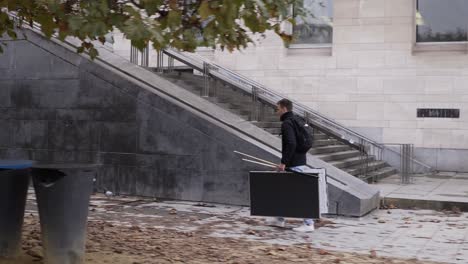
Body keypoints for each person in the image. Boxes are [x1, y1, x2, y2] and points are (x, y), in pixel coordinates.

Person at [266, 98, 315, 232]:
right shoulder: (296, 120)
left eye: (277, 109)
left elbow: (291, 143)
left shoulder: (287, 123)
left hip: (293, 164)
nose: (277, 112)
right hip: (299, 161)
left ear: (284, 108)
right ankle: (279, 219)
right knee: (282, 191)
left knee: (298, 194)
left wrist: (283, 162)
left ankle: (308, 223)